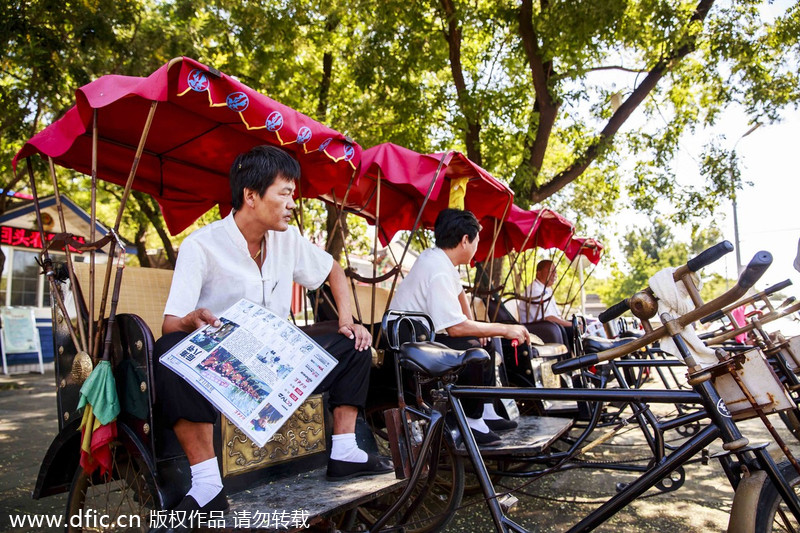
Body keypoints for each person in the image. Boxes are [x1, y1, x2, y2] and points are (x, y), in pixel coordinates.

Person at [154, 145, 392, 522]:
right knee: (168, 349)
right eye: (284, 193)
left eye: (292, 195)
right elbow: (170, 325)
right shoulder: (201, 245)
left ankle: (345, 451)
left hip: (281, 359)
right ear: (251, 195)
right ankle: (206, 484)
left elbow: (333, 270)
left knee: (355, 343)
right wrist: (191, 320)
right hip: (226, 364)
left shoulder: (288, 241)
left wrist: (347, 319)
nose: (291, 204)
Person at [389, 208, 530, 446]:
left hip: (421, 334)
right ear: (465, 240)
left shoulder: (441, 261)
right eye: (476, 241)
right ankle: (473, 423)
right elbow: (455, 329)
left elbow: (460, 296)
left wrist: (483, 328)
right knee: (471, 347)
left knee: (487, 341)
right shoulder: (437, 269)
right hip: (409, 338)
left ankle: (486, 412)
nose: (476, 247)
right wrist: (505, 329)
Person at [518, 260, 574, 350]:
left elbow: (555, 316)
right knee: (572, 329)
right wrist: (571, 324)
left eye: (555, 271)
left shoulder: (547, 289)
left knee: (576, 330)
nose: (555, 274)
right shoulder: (534, 290)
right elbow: (548, 318)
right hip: (537, 328)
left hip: (549, 326)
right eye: (551, 271)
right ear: (538, 273)